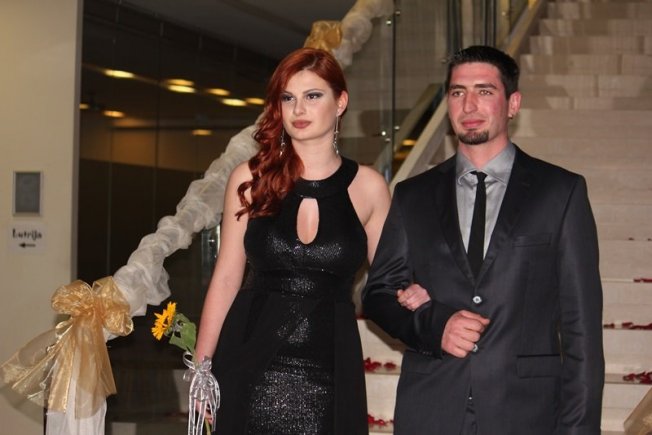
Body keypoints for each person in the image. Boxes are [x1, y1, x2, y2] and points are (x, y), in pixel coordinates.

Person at [362, 45, 604, 434]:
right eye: (458, 92)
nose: (469, 105)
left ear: (513, 104)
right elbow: (377, 295)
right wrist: (435, 325)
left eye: (485, 91)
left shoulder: (560, 192)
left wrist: (577, 429)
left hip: (527, 414)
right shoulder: (413, 195)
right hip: (431, 410)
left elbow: (582, 331)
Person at [194, 47, 391, 434]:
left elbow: (389, 281)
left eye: (312, 96)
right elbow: (227, 277)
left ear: (341, 102)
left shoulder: (369, 187)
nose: (298, 109)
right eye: (288, 98)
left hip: (331, 363)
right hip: (249, 357)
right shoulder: (249, 179)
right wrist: (203, 367)